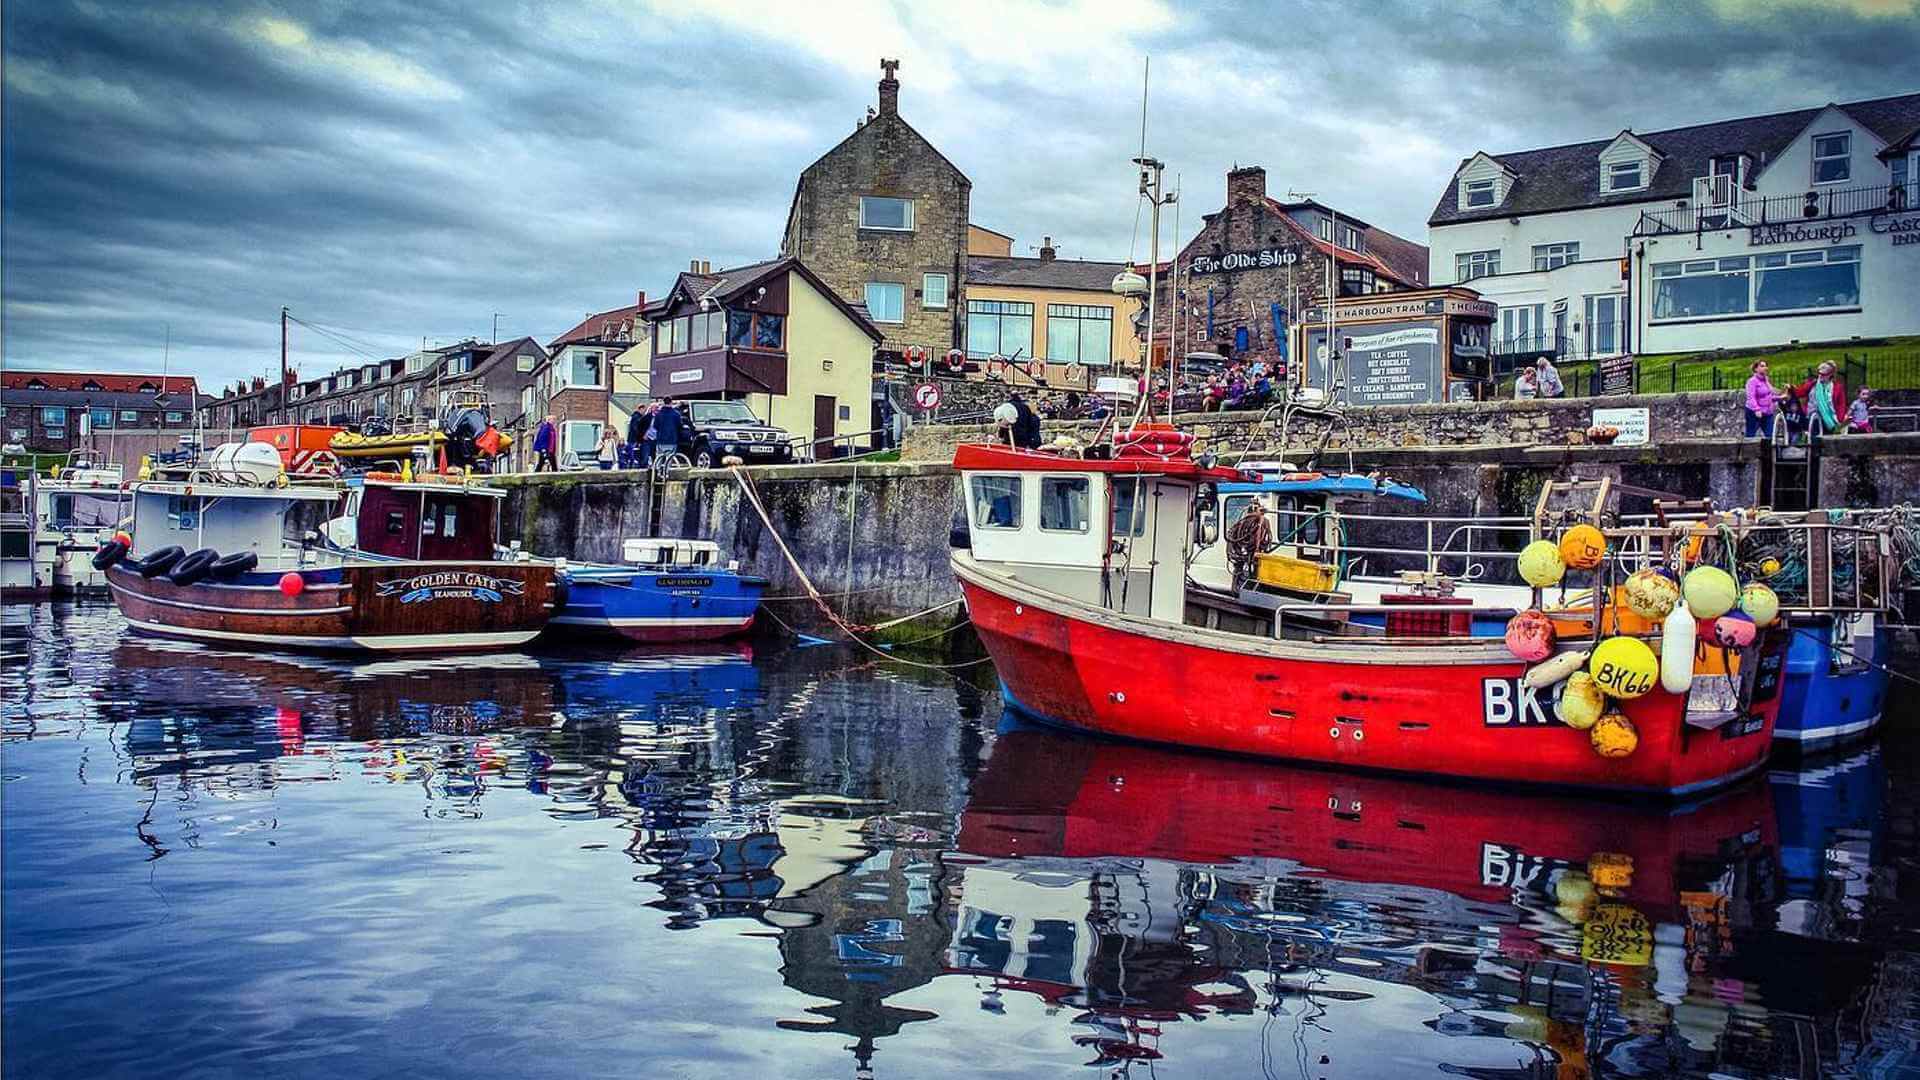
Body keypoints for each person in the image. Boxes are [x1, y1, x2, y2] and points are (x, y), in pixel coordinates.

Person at [1224, 500, 1273, 591]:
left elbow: (1264, 538)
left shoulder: (1262, 523)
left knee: (1254, 565)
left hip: (1252, 554)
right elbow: (1234, 535)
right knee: (1241, 564)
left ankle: (1246, 587)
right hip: (1246, 554)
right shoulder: (1243, 524)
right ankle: (1237, 588)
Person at [1796, 362, 1847, 437]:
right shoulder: (1812, 384)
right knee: (1815, 440)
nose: (1820, 376)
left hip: (1830, 419)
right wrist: (1791, 388)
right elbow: (1800, 392)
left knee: (1827, 440)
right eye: (1819, 373)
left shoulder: (1837, 387)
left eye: (1823, 374)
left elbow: (1841, 404)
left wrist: (1840, 418)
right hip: (1814, 418)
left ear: (1830, 375)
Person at [1743, 360, 1780, 438]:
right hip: (1754, 413)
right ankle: (1747, 449)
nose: (1765, 368)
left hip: (1767, 412)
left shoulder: (1766, 380)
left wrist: (1780, 397)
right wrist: (1756, 409)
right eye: (1762, 366)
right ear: (1756, 369)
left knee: (1770, 436)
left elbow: (1769, 396)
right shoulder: (1752, 381)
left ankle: (1770, 450)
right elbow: (1751, 397)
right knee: (1750, 435)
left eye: (1766, 366)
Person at [651, 398, 686, 462]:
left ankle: (658, 471)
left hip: (660, 439)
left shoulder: (658, 414)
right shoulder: (676, 414)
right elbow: (680, 426)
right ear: (671, 403)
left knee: (659, 458)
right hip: (672, 439)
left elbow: (655, 426)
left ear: (664, 403)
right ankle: (666, 471)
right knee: (669, 459)